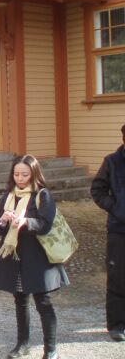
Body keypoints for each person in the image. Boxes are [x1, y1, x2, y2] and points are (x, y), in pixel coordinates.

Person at [0, 154, 69, 359]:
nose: (20, 178)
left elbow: (45, 225)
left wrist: (26, 222)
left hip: (39, 257)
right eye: (16, 174)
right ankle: (22, 345)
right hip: (16, 255)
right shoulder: (9, 195)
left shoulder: (43, 195)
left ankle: (50, 349)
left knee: (43, 302)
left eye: (25, 174)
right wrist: (3, 220)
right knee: (20, 300)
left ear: (34, 173)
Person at [91, 124, 125, 342]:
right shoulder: (112, 162)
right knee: (118, 277)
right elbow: (97, 190)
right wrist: (116, 207)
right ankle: (117, 324)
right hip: (119, 230)